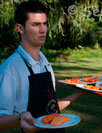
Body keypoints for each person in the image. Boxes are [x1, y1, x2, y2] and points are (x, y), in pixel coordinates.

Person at [0, 1, 87, 132]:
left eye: (44, 23)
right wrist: (20, 118)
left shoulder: (45, 62)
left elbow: (50, 109)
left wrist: (80, 92)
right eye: (36, 24)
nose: (43, 29)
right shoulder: (10, 69)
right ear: (20, 28)